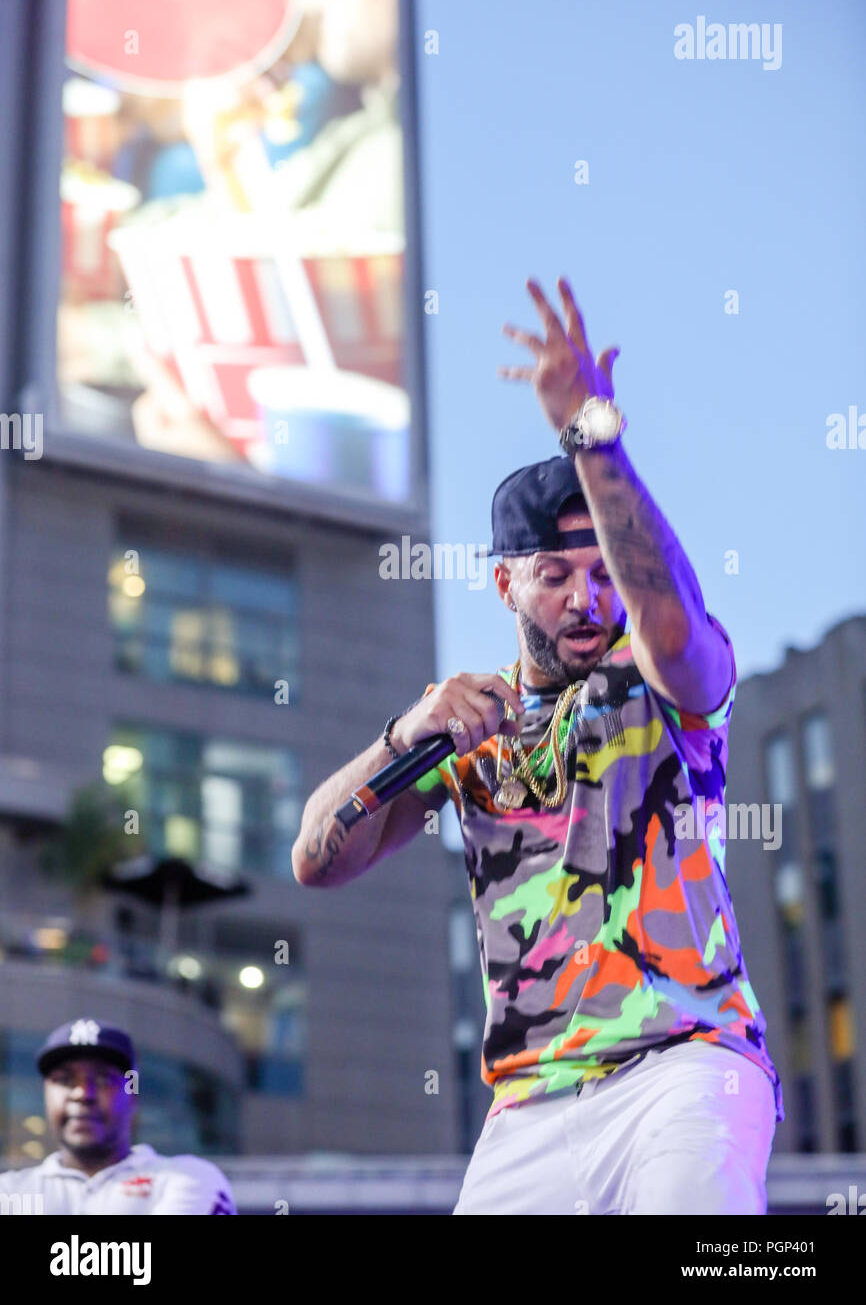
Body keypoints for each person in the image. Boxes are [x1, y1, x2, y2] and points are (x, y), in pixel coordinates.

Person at [292, 276, 784, 1215]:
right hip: (529, 1105)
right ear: (504, 585)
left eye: (602, 575)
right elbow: (317, 856)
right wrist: (407, 732)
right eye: (555, 576)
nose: (586, 600)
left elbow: (673, 631)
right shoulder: (467, 731)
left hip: (686, 1061)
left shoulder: (659, 681)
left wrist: (593, 434)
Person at [0, 1018, 236, 1214]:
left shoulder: (188, 1179)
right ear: (46, 1093)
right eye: (64, 1080)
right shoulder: (10, 1192)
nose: (83, 1093)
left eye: (104, 1078)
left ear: (133, 1092)